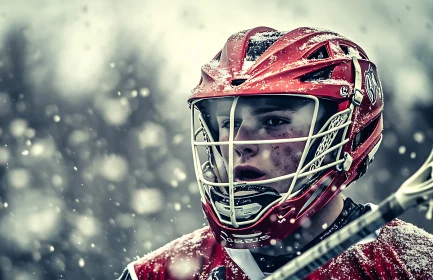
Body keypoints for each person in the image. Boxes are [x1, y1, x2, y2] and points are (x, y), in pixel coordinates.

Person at [118, 26, 433, 280]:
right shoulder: (158, 274)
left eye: (273, 121)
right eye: (228, 123)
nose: (239, 143)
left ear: (343, 134)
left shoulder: (411, 264)